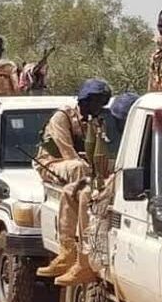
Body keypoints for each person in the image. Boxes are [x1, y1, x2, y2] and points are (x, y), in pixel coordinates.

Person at [53, 91, 139, 286]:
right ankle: (68, 251)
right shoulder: (111, 131)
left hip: (131, 185)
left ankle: (85, 262)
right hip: (115, 178)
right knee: (72, 190)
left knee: (87, 197)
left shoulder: (141, 133)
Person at [34, 79, 111, 281]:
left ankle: (82, 249)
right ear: (84, 100)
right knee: (78, 170)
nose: (98, 106)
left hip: (81, 168)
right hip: (53, 163)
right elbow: (67, 151)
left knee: (76, 186)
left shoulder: (97, 121)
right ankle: (69, 248)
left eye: (101, 102)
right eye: (95, 101)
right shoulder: (63, 117)